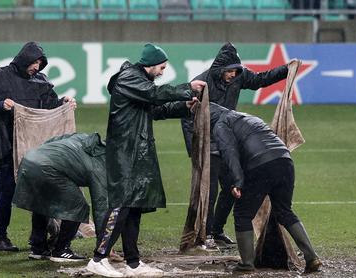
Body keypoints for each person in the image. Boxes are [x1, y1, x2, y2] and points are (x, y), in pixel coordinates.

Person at [86, 43, 205, 278]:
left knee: (135, 206)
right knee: (121, 205)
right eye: (161, 67)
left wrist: (184, 106)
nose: (162, 72)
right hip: (124, 153)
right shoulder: (130, 77)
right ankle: (98, 258)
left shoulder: (140, 82)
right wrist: (187, 89)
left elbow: (155, 110)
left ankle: (133, 263)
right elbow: (155, 95)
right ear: (150, 65)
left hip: (136, 152)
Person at [181, 42, 291, 249]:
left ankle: (216, 230)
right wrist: (194, 148)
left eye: (235, 71)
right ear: (220, 69)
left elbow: (260, 79)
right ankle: (203, 236)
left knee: (234, 185)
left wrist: (285, 70)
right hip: (207, 143)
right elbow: (187, 116)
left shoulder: (239, 75)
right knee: (209, 191)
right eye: (230, 71)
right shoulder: (202, 82)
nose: (233, 75)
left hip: (227, 140)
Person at [209, 103, 322, 273]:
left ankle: (246, 264)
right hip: (285, 160)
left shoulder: (220, 124)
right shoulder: (248, 116)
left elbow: (229, 153)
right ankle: (312, 257)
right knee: (284, 211)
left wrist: (238, 181)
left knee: (242, 214)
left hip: (261, 165)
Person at [0, 41, 76, 251]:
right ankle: (0, 237)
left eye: (39, 63)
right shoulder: (1, 76)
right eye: (34, 62)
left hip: (35, 147)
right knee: (7, 192)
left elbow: (50, 107)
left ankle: (38, 238)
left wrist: (64, 102)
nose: (36, 67)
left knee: (40, 191)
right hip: (9, 145)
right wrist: (1, 105)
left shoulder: (41, 81)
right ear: (24, 59)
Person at [13, 132, 108, 262]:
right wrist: (103, 242)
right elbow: (101, 205)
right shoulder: (100, 163)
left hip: (30, 160)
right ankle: (61, 249)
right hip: (47, 167)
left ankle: (38, 247)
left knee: (42, 202)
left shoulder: (83, 137)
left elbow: (53, 140)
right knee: (78, 206)